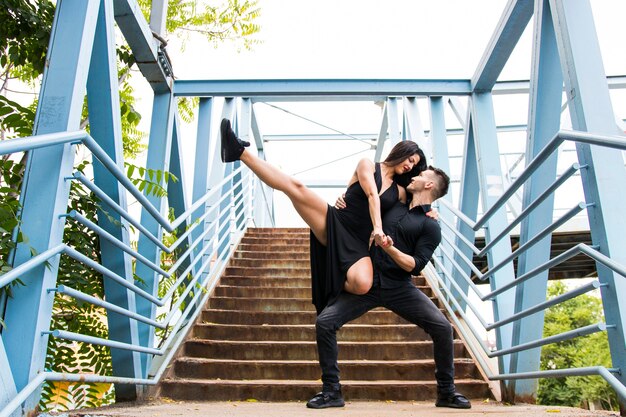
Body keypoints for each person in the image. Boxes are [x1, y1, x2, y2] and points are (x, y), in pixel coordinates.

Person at [219, 118, 429, 312]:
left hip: (359, 241)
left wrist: (429, 211)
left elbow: (418, 202)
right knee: (296, 187)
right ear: (401, 151)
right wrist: (377, 227)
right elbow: (372, 194)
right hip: (337, 222)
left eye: (413, 164)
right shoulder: (367, 164)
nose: (409, 165)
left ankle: (332, 277)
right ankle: (238, 152)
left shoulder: (401, 192)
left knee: (363, 284)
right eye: (409, 159)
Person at [306, 167, 472, 410]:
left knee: (443, 328)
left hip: (400, 288)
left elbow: (415, 266)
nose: (414, 176)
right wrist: (344, 196)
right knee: (325, 322)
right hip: (368, 282)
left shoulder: (431, 227)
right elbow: (365, 204)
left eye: (421, 175)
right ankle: (332, 391)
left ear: (429, 186)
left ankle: (446, 392)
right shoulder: (393, 204)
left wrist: (389, 249)